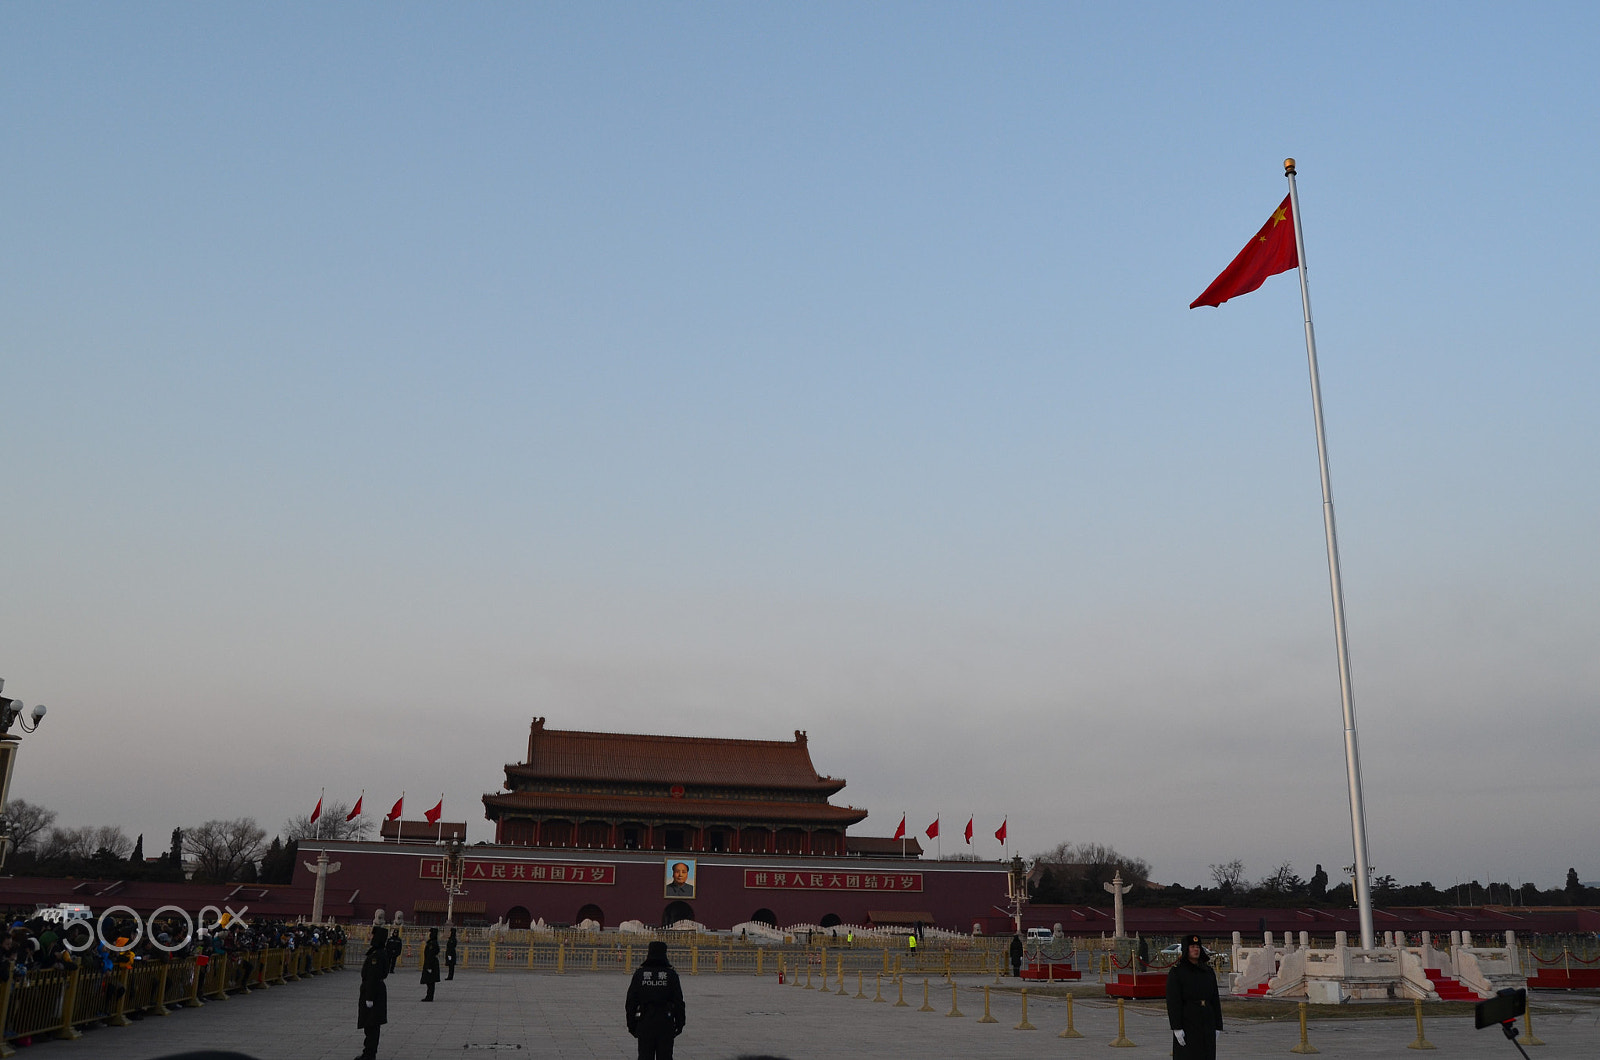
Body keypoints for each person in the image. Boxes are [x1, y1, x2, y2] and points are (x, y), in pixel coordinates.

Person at [1166, 934, 1223, 1060]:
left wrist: (1218, 1025)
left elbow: (1215, 999)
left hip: (1207, 1020)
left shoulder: (1207, 971)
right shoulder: (1177, 972)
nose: (1195, 949)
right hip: (1188, 1021)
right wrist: (1176, 1027)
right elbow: (1173, 1001)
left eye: (1197, 946)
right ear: (1186, 949)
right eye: (1192, 946)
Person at [625, 940, 685, 1060]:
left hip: (645, 1022)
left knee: (645, 1056)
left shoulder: (640, 974)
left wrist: (631, 1024)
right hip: (665, 1022)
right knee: (665, 1056)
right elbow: (678, 1002)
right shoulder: (671, 975)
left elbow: (631, 1002)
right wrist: (680, 1023)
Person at [357, 928, 390, 1060]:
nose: (370, 937)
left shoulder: (376, 955)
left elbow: (372, 977)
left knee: (371, 1025)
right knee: (371, 1024)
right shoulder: (379, 952)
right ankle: (368, 1052)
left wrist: (369, 998)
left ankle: (369, 1054)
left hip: (373, 993)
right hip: (377, 991)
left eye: (372, 935)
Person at [421, 928, 441, 1001]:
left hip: (431, 964)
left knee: (430, 981)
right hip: (430, 963)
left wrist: (429, 966)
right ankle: (429, 995)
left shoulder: (432, 943)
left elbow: (431, 954)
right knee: (429, 981)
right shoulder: (432, 942)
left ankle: (429, 996)